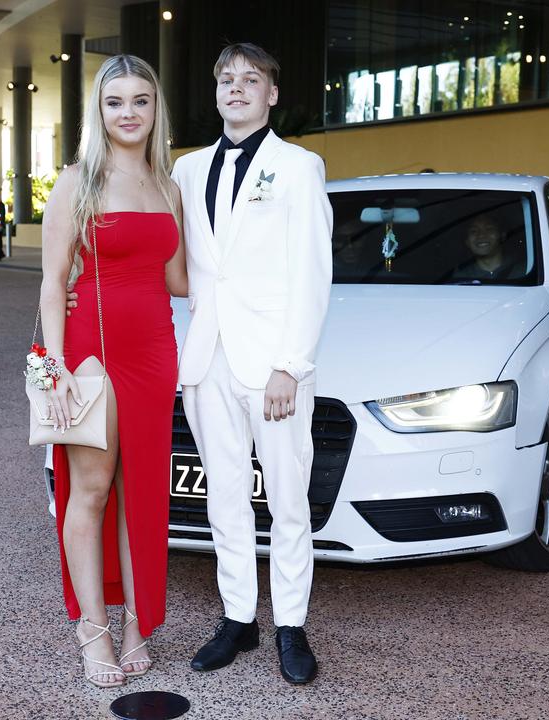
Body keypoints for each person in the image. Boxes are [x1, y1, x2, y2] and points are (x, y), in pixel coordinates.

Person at [172, 42, 332, 685]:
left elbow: (312, 273)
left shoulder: (299, 166)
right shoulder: (186, 170)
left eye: (252, 79)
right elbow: (180, 265)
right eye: (227, 79)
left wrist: (290, 364)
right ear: (216, 93)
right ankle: (238, 619)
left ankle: (291, 626)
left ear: (271, 94)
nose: (238, 88)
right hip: (206, 358)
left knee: (288, 499)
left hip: (272, 364)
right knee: (225, 499)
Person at [37, 54, 186, 689]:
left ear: (157, 109)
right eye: (115, 101)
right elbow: (50, 283)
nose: (129, 113)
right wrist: (59, 367)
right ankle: (93, 628)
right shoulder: (77, 181)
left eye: (140, 100)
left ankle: (135, 628)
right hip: (90, 350)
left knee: (145, 495)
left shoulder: (169, 185)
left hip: (155, 351)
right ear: (99, 113)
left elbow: (180, 279)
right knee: (91, 491)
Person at [452, 215, 521, 281]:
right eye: (474, 231)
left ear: (502, 236)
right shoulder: (460, 278)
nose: (481, 235)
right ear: (467, 241)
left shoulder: (523, 270)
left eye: (489, 229)